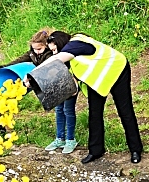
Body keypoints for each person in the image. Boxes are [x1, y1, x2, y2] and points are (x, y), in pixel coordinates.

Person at [42, 33, 142, 164]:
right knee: (94, 113)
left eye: (54, 49)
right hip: (98, 76)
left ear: (61, 44)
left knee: (125, 111)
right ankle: (96, 151)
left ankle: (136, 149)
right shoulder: (71, 58)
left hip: (117, 69)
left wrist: (32, 75)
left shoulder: (75, 45)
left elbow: (57, 60)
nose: (54, 53)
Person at [44, 31, 78, 154]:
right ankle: (60, 138)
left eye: (54, 50)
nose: (53, 53)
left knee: (68, 111)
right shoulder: (56, 57)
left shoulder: (71, 56)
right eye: (51, 50)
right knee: (59, 110)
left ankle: (70, 139)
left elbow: (78, 73)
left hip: (70, 87)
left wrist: (75, 84)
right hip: (58, 86)